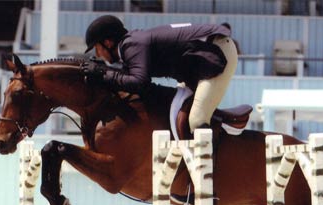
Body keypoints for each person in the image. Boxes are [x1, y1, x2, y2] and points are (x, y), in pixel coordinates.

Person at [81, 15, 238, 133]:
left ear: (107, 42)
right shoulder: (130, 44)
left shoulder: (132, 45)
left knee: (197, 120)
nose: (98, 54)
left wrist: (103, 73)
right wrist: (104, 73)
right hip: (198, 63)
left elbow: (139, 82)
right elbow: (129, 79)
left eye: (97, 47)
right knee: (177, 115)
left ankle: (212, 171)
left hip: (217, 51)